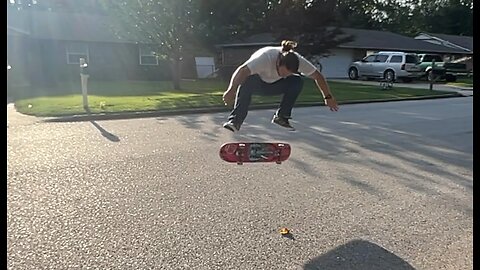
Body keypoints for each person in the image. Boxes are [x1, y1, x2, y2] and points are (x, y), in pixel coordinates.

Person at [222, 40, 339, 132]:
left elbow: (318, 76)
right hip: (257, 84)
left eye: (288, 74)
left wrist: (328, 97)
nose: (284, 76)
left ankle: (282, 117)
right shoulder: (265, 57)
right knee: (246, 80)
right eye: (282, 73)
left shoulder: (298, 60)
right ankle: (235, 121)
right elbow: (242, 70)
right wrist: (231, 90)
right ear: (278, 62)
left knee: (297, 81)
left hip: (275, 86)